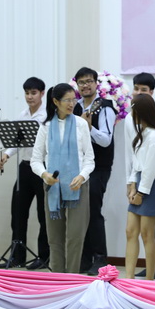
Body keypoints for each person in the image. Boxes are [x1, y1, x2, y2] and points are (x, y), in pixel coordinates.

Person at [31, 83, 95, 274]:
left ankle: (73, 277)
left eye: (74, 99)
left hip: (78, 186)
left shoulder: (81, 124)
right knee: (54, 238)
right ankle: (57, 278)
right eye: (67, 100)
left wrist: (82, 176)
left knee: (75, 236)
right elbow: (36, 160)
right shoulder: (46, 126)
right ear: (56, 101)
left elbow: (90, 159)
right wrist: (45, 174)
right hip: (53, 187)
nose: (72, 104)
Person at [0, 77, 48, 269]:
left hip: (42, 168)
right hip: (25, 167)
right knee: (18, 212)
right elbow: (16, 142)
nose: (29, 97)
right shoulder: (22, 115)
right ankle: (17, 256)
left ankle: (44, 257)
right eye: (27, 93)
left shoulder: (47, 116)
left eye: (33, 93)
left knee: (43, 215)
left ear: (42, 94)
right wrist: (6, 155)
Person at [123, 72, 155, 279]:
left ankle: (150, 278)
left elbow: (150, 169)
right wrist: (132, 184)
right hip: (140, 183)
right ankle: (129, 277)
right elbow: (137, 164)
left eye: (134, 110)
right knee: (130, 231)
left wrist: (141, 192)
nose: (131, 114)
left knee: (147, 234)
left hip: (151, 185)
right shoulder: (141, 134)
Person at [73, 67, 116, 276]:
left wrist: (88, 128)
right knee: (81, 211)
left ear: (96, 83)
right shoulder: (75, 107)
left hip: (99, 166)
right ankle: (84, 256)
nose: (85, 85)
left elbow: (106, 140)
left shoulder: (105, 107)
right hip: (79, 166)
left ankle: (100, 257)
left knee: (93, 209)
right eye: (81, 82)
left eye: (89, 81)